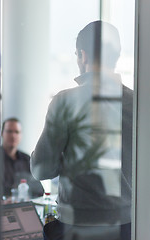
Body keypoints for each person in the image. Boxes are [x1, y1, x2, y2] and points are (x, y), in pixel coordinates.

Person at [30, 20, 132, 240]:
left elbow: (41, 169)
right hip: (129, 226)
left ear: (82, 56)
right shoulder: (138, 102)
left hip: (78, 227)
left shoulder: (65, 101)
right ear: (116, 56)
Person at [1, 118, 44, 199]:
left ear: (21, 135)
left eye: (17, 132)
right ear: (2, 133)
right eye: (9, 131)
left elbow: (39, 191)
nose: (13, 135)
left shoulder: (27, 159)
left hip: (23, 207)